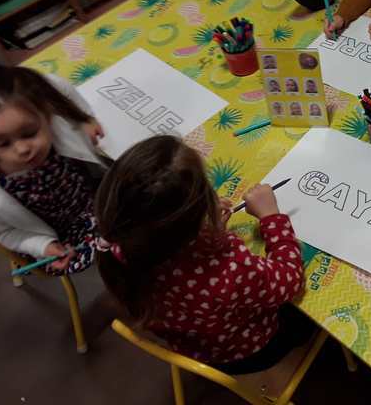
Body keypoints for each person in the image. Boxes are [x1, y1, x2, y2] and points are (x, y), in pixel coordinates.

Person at [94, 136, 313, 372]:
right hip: (250, 351)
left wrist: (203, 226)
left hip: (197, 347)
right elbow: (290, 280)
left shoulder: (120, 247)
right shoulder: (227, 267)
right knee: (306, 317)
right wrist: (271, 217)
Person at [0, 66, 107, 274]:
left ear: (46, 114)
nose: (23, 149)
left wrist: (84, 117)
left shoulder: (47, 114)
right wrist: (42, 246)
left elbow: (57, 86)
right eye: (4, 144)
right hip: (63, 238)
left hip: (95, 197)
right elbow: (5, 233)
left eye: (29, 133)